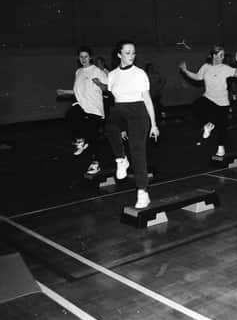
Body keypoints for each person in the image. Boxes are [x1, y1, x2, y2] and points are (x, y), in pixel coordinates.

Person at [103, 40, 159, 209]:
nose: (131, 56)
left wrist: (154, 124)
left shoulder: (140, 74)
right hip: (120, 110)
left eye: (133, 53)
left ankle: (143, 192)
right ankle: (121, 159)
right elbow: (113, 102)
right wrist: (120, 128)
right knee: (109, 125)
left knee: (138, 153)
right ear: (119, 54)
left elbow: (147, 100)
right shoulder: (112, 75)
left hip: (138, 113)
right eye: (127, 53)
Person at [179, 46, 237, 157]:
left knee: (222, 127)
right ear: (214, 55)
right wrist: (185, 71)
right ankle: (206, 126)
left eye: (223, 55)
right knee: (196, 105)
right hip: (209, 98)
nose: (223, 57)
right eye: (221, 55)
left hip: (222, 102)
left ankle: (221, 148)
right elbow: (198, 77)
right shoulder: (206, 67)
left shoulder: (224, 68)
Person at [56, 46, 108, 174]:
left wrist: (100, 84)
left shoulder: (97, 71)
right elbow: (78, 90)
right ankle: (80, 140)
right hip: (82, 105)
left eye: (86, 56)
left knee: (93, 136)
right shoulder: (78, 72)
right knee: (71, 115)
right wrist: (65, 92)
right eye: (81, 57)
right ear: (78, 59)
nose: (83, 59)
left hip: (94, 108)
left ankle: (96, 163)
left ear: (90, 57)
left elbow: (107, 88)